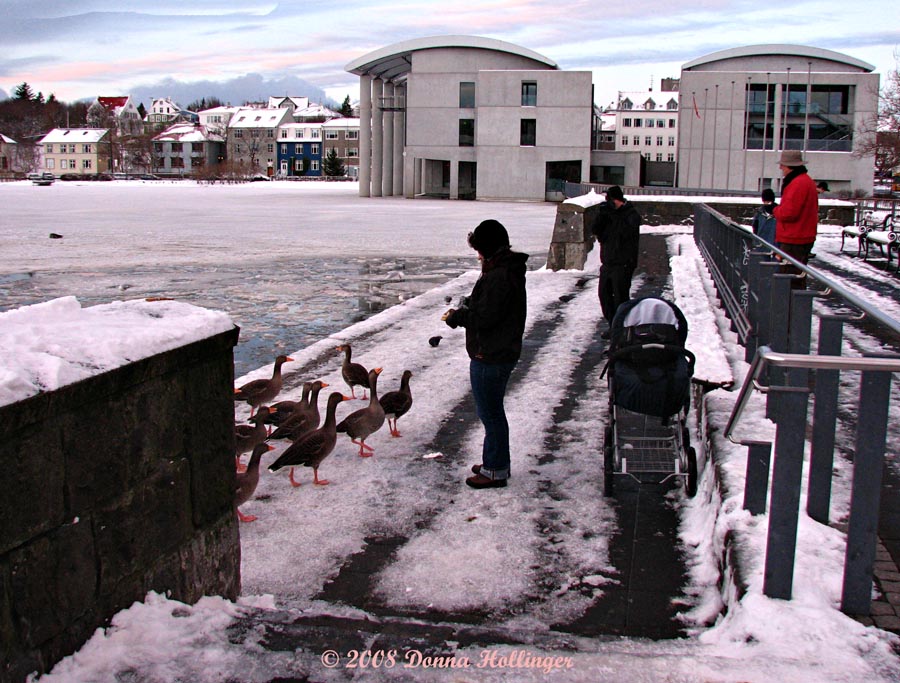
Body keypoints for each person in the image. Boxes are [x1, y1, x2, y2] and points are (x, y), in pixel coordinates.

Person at [443, 219, 528, 489]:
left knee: (490, 414)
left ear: (489, 248)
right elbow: (492, 307)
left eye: (479, 249)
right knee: (492, 412)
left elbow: (487, 317)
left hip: (491, 354)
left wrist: (459, 317)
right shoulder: (505, 270)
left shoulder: (499, 275)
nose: (477, 254)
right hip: (499, 350)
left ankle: (495, 470)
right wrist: (471, 304)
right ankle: (496, 461)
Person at [591, 185, 641, 337]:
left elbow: (625, 232)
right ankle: (613, 325)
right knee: (604, 296)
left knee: (620, 297)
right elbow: (595, 229)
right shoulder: (607, 214)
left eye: (611, 200)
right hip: (607, 262)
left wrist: (613, 214)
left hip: (624, 262)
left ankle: (622, 328)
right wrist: (602, 214)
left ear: (618, 200)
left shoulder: (631, 214)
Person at [773, 150, 819, 289]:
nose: (781, 168)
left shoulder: (797, 183)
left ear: (789, 166)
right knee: (796, 278)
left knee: (789, 280)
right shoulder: (806, 181)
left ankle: (788, 309)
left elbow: (789, 213)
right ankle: (792, 308)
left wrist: (775, 210)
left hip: (794, 238)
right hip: (801, 236)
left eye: (783, 165)